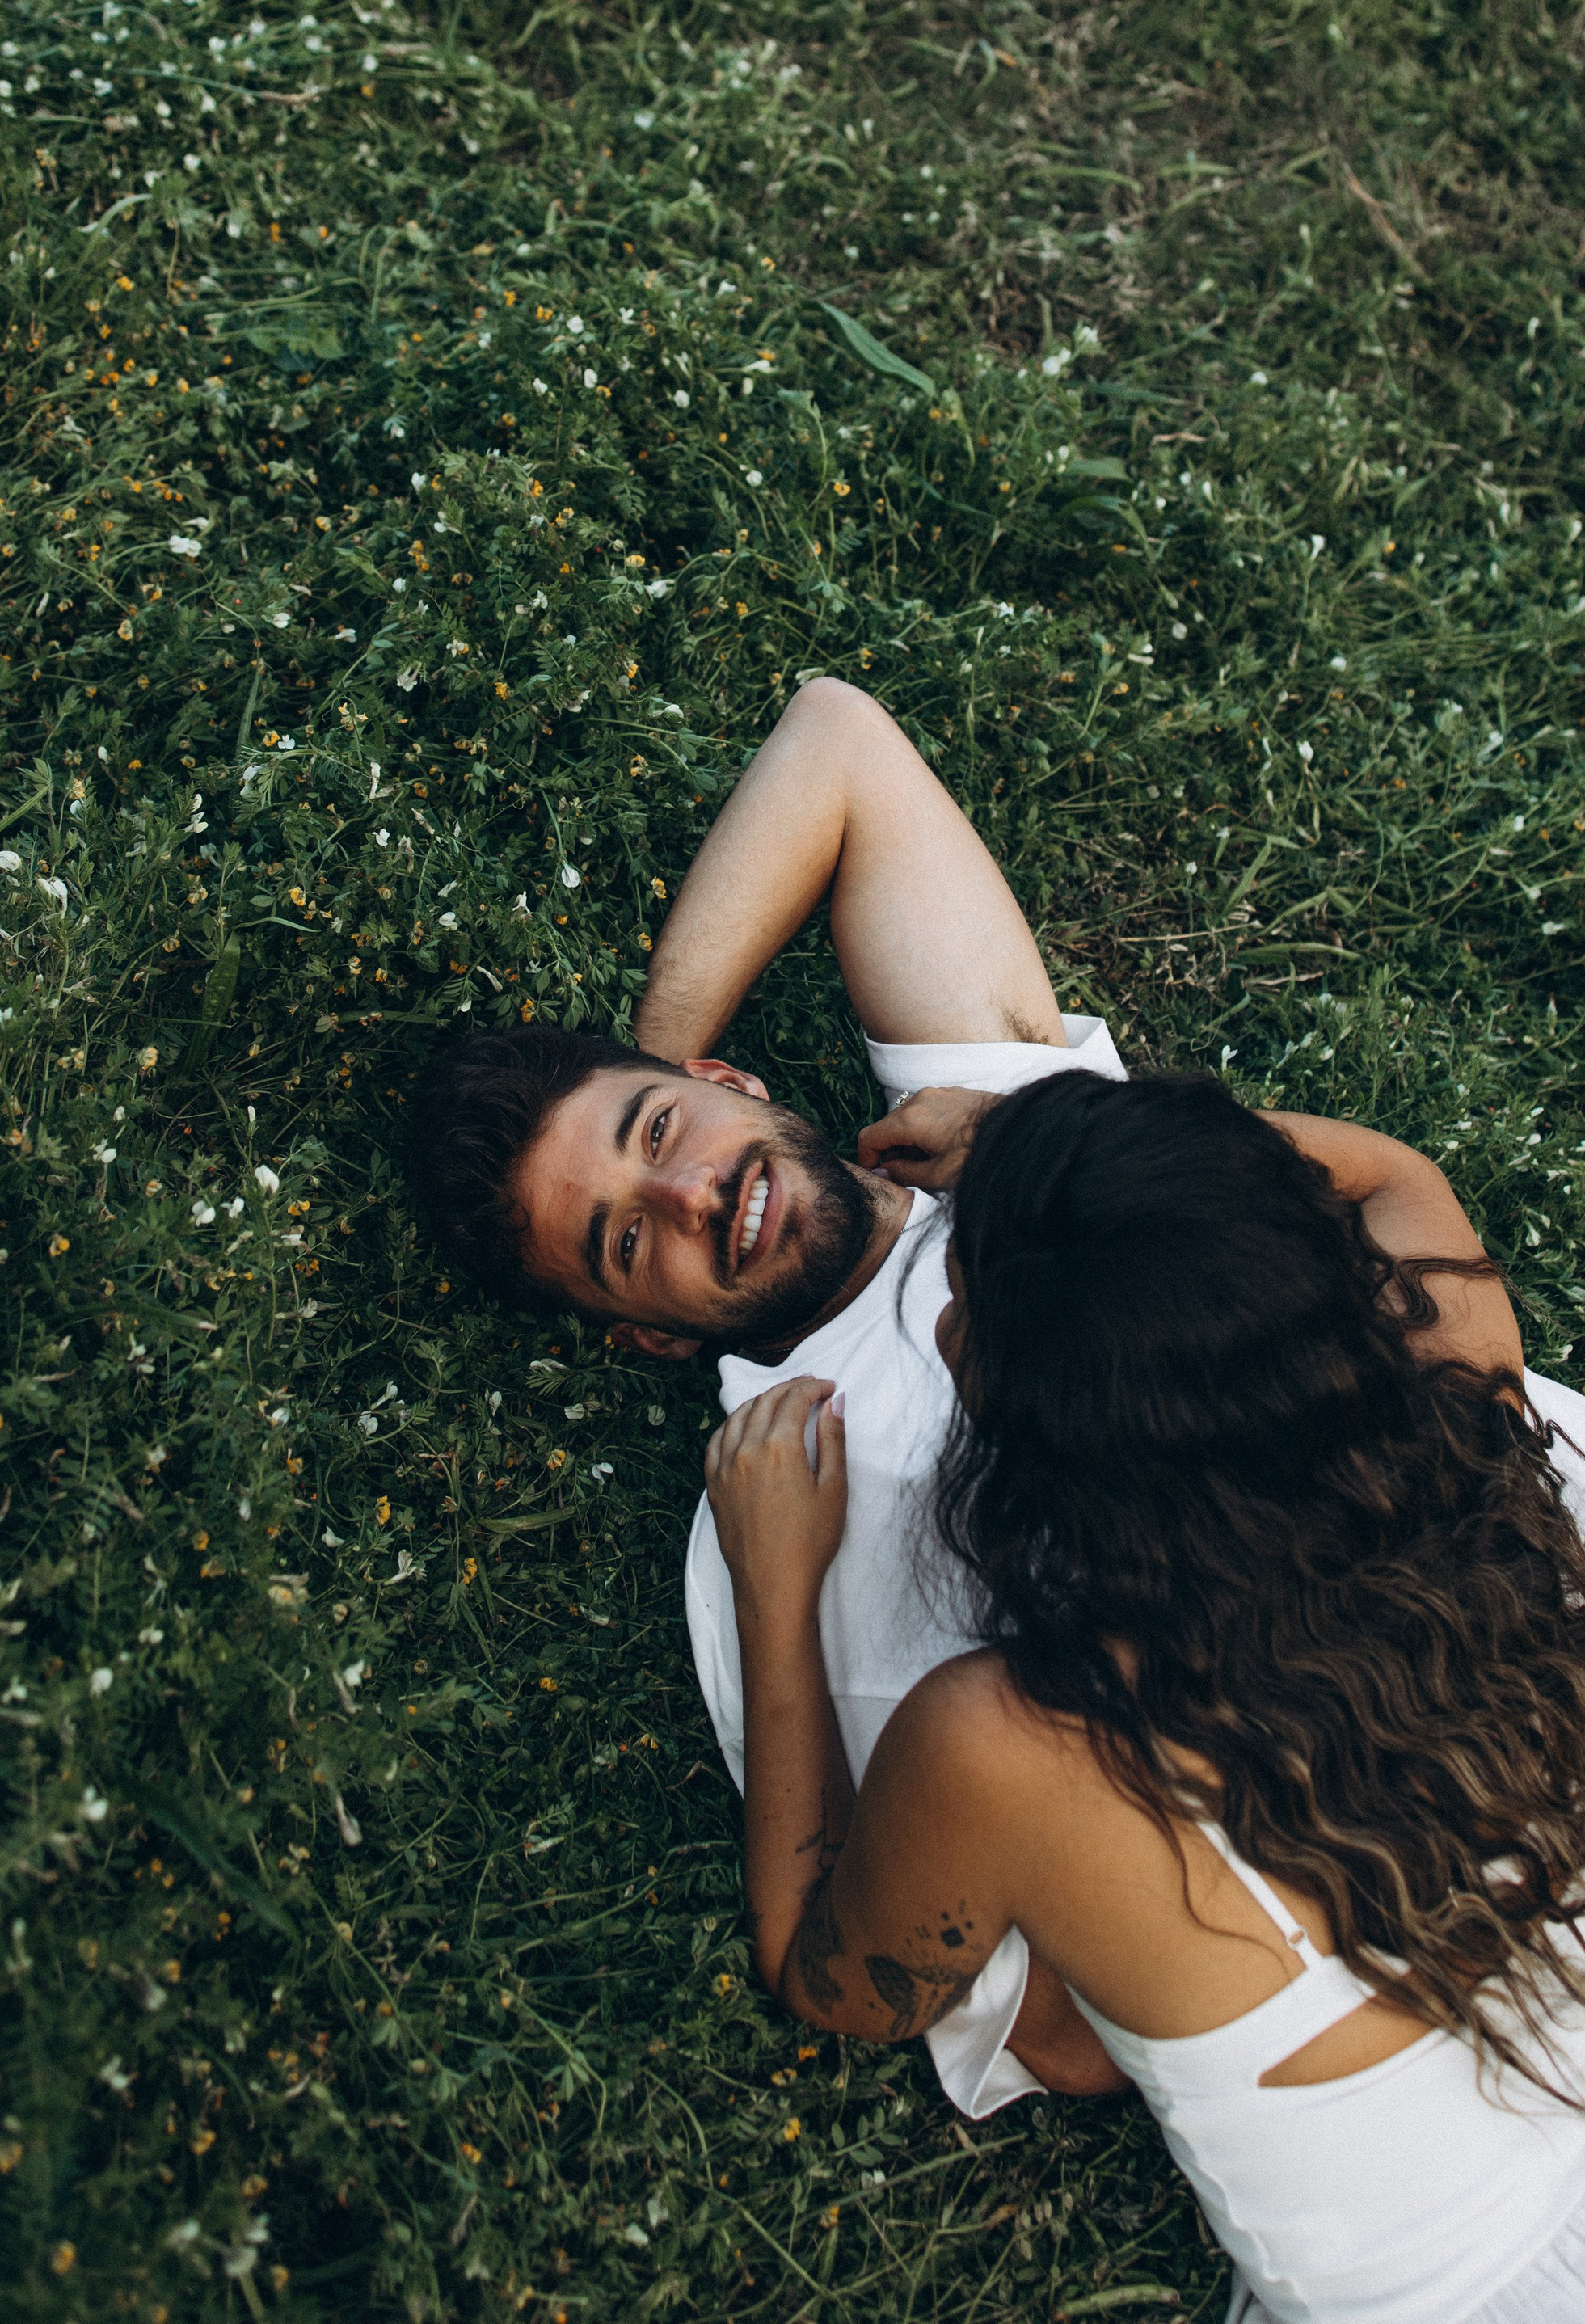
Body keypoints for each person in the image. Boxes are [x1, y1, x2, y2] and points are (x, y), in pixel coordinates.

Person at [706, 1070, 1585, 2324]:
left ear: (1056, 1441)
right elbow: (1389, 1173)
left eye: (969, 1314)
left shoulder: (1014, 1742)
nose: (944, 1325)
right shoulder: (1458, 1426)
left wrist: (775, 1587)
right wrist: (1055, 1156)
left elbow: (834, 1983)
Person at [406, 677, 1137, 2105]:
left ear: (729, 1076)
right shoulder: (772, 1496)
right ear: (648, 1339)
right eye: (628, 1242)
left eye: (660, 1129)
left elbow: (838, 741)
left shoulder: (993, 1129)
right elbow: (1025, 2008)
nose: (690, 1196)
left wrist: (658, 1050)